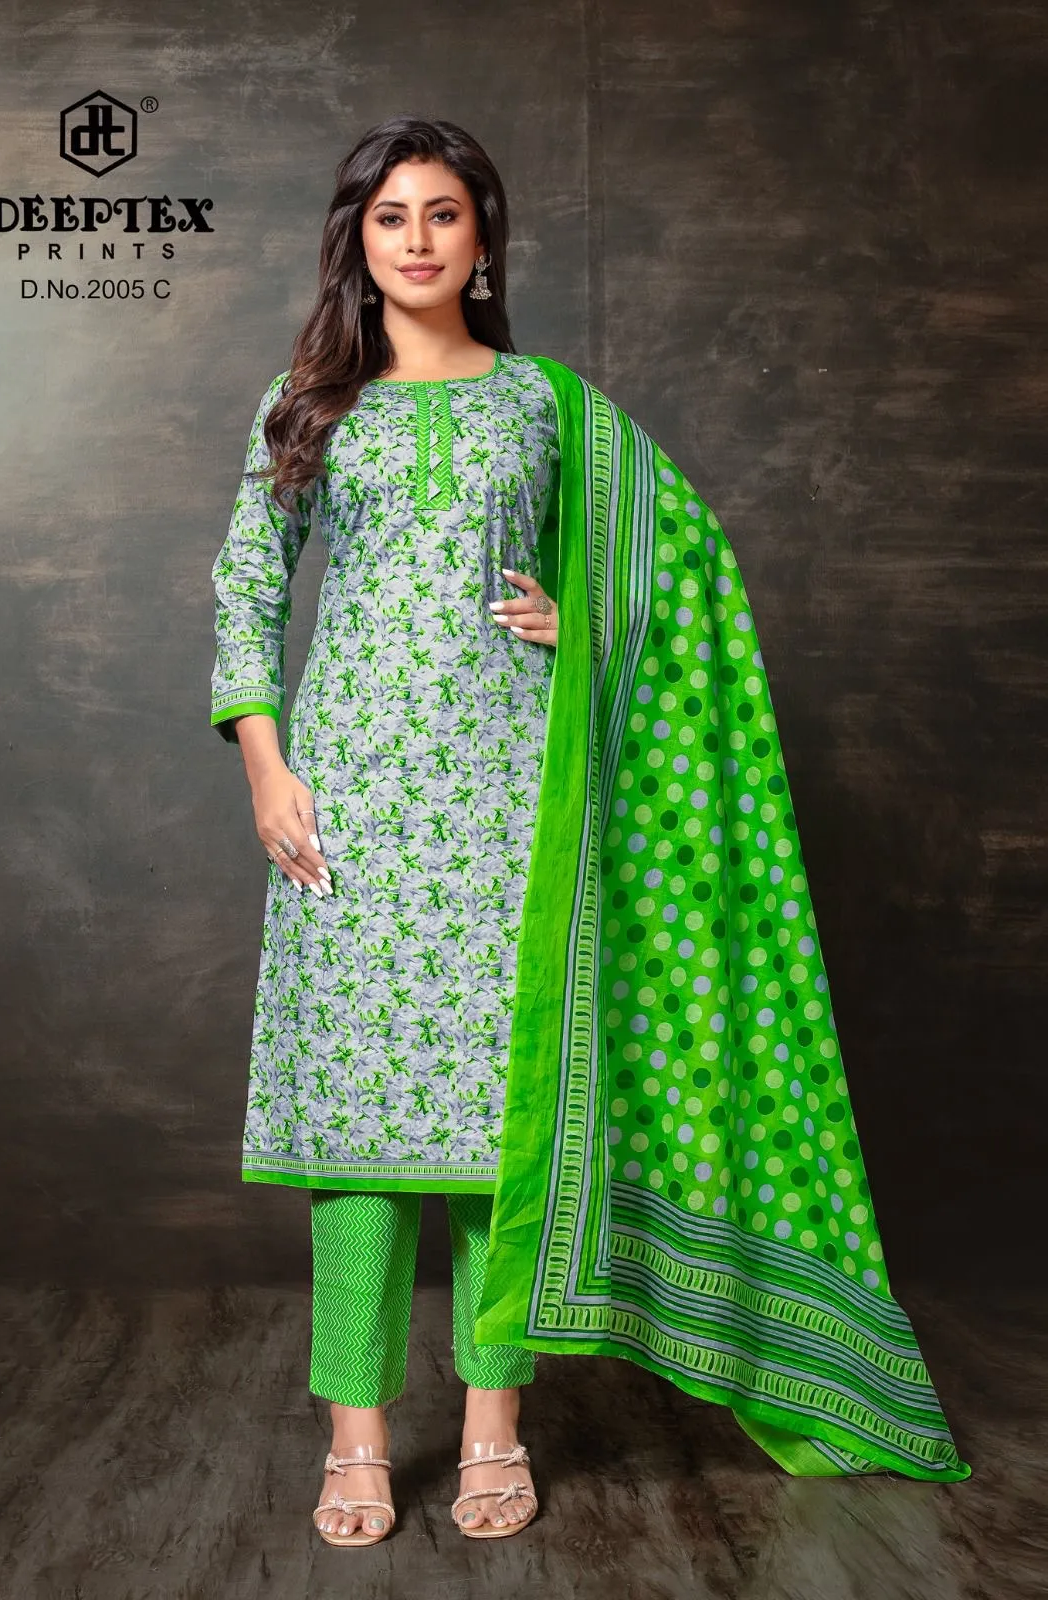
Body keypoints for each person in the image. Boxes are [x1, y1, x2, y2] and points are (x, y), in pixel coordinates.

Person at [210, 116, 970, 1549]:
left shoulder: (550, 406)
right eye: (391, 216)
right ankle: (356, 1438)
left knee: (509, 1125)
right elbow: (248, 586)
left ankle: (493, 1424)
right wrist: (266, 765)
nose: (418, 239)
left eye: (444, 214)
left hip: (518, 803)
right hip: (352, 805)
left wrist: (594, 626)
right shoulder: (308, 402)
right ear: (357, 241)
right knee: (361, 1141)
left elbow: (681, 575)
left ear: (483, 238)